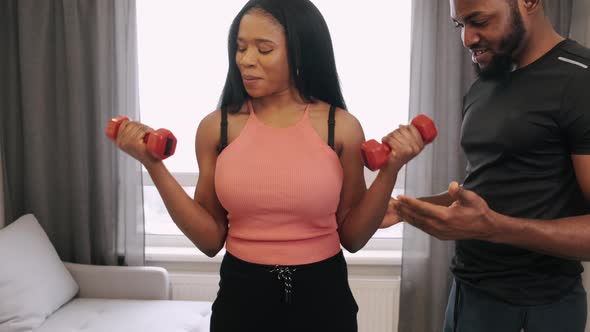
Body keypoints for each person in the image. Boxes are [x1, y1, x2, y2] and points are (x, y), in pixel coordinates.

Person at [113, 0, 423, 331]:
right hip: (241, 296)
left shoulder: (340, 127)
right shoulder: (217, 128)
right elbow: (209, 240)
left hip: (323, 297)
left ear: (301, 53)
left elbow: (354, 237)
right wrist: (153, 166)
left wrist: (391, 169)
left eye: (264, 49)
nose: (245, 60)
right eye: (240, 47)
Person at [382, 0, 590, 331]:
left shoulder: (581, 80)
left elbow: (489, 220)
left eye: (479, 21)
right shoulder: (486, 84)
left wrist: (495, 228)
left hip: (535, 308)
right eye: (460, 25)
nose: (467, 39)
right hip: (467, 296)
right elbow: (485, 196)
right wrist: (406, 209)